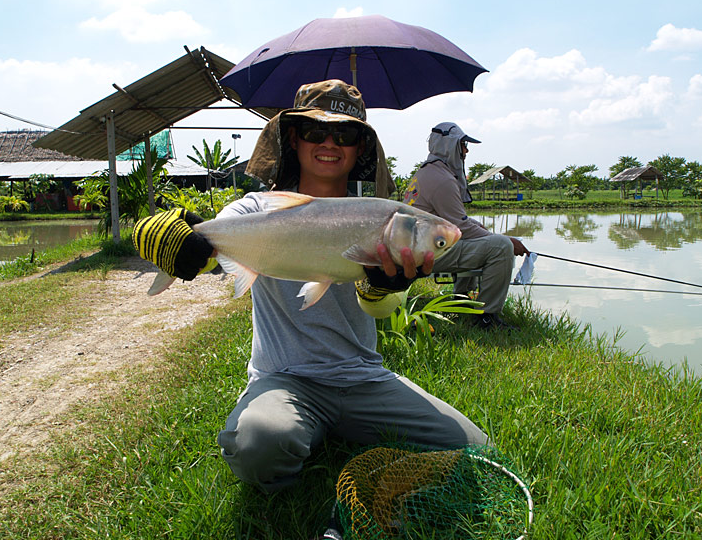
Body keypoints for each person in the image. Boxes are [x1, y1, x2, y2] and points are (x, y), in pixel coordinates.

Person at [133, 80, 487, 493]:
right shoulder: (256, 208)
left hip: (363, 378)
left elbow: (380, 310)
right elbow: (196, 233)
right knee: (258, 444)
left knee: (473, 447)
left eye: (346, 134)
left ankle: (332, 429)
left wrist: (380, 286)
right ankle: (293, 440)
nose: (330, 143)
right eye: (316, 132)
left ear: (361, 148)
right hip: (285, 378)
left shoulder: (384, 219)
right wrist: (176, 237)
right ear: (294, 138)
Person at [403, 122, 529, 330]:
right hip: (426, 254)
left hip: (419, 246)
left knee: (484, 238)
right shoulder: (442, 179)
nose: (466, 150)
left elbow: (456, 220)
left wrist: (482, 230)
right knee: (500, 247)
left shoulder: (427, 172)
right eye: (463, 145)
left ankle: (460, 302)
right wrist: (507, 240)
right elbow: (459, 228)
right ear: (448, 146)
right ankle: (486, 316)